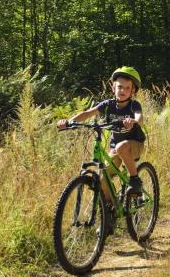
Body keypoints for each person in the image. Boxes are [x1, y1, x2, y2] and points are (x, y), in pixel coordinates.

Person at [57, 66, 146, 196]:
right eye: (120, 87)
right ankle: (110, 210)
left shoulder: (134, 105)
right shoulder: (108, 105)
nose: (123, 90)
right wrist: (69, 122)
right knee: (103, 178)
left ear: (133, 91)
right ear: (113, 88)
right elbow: (87, 113)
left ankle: (135, 181)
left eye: (127, 88)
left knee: (122, 147)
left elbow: (139, 116)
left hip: (134, 145)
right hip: (115, 148)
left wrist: (134, 121)